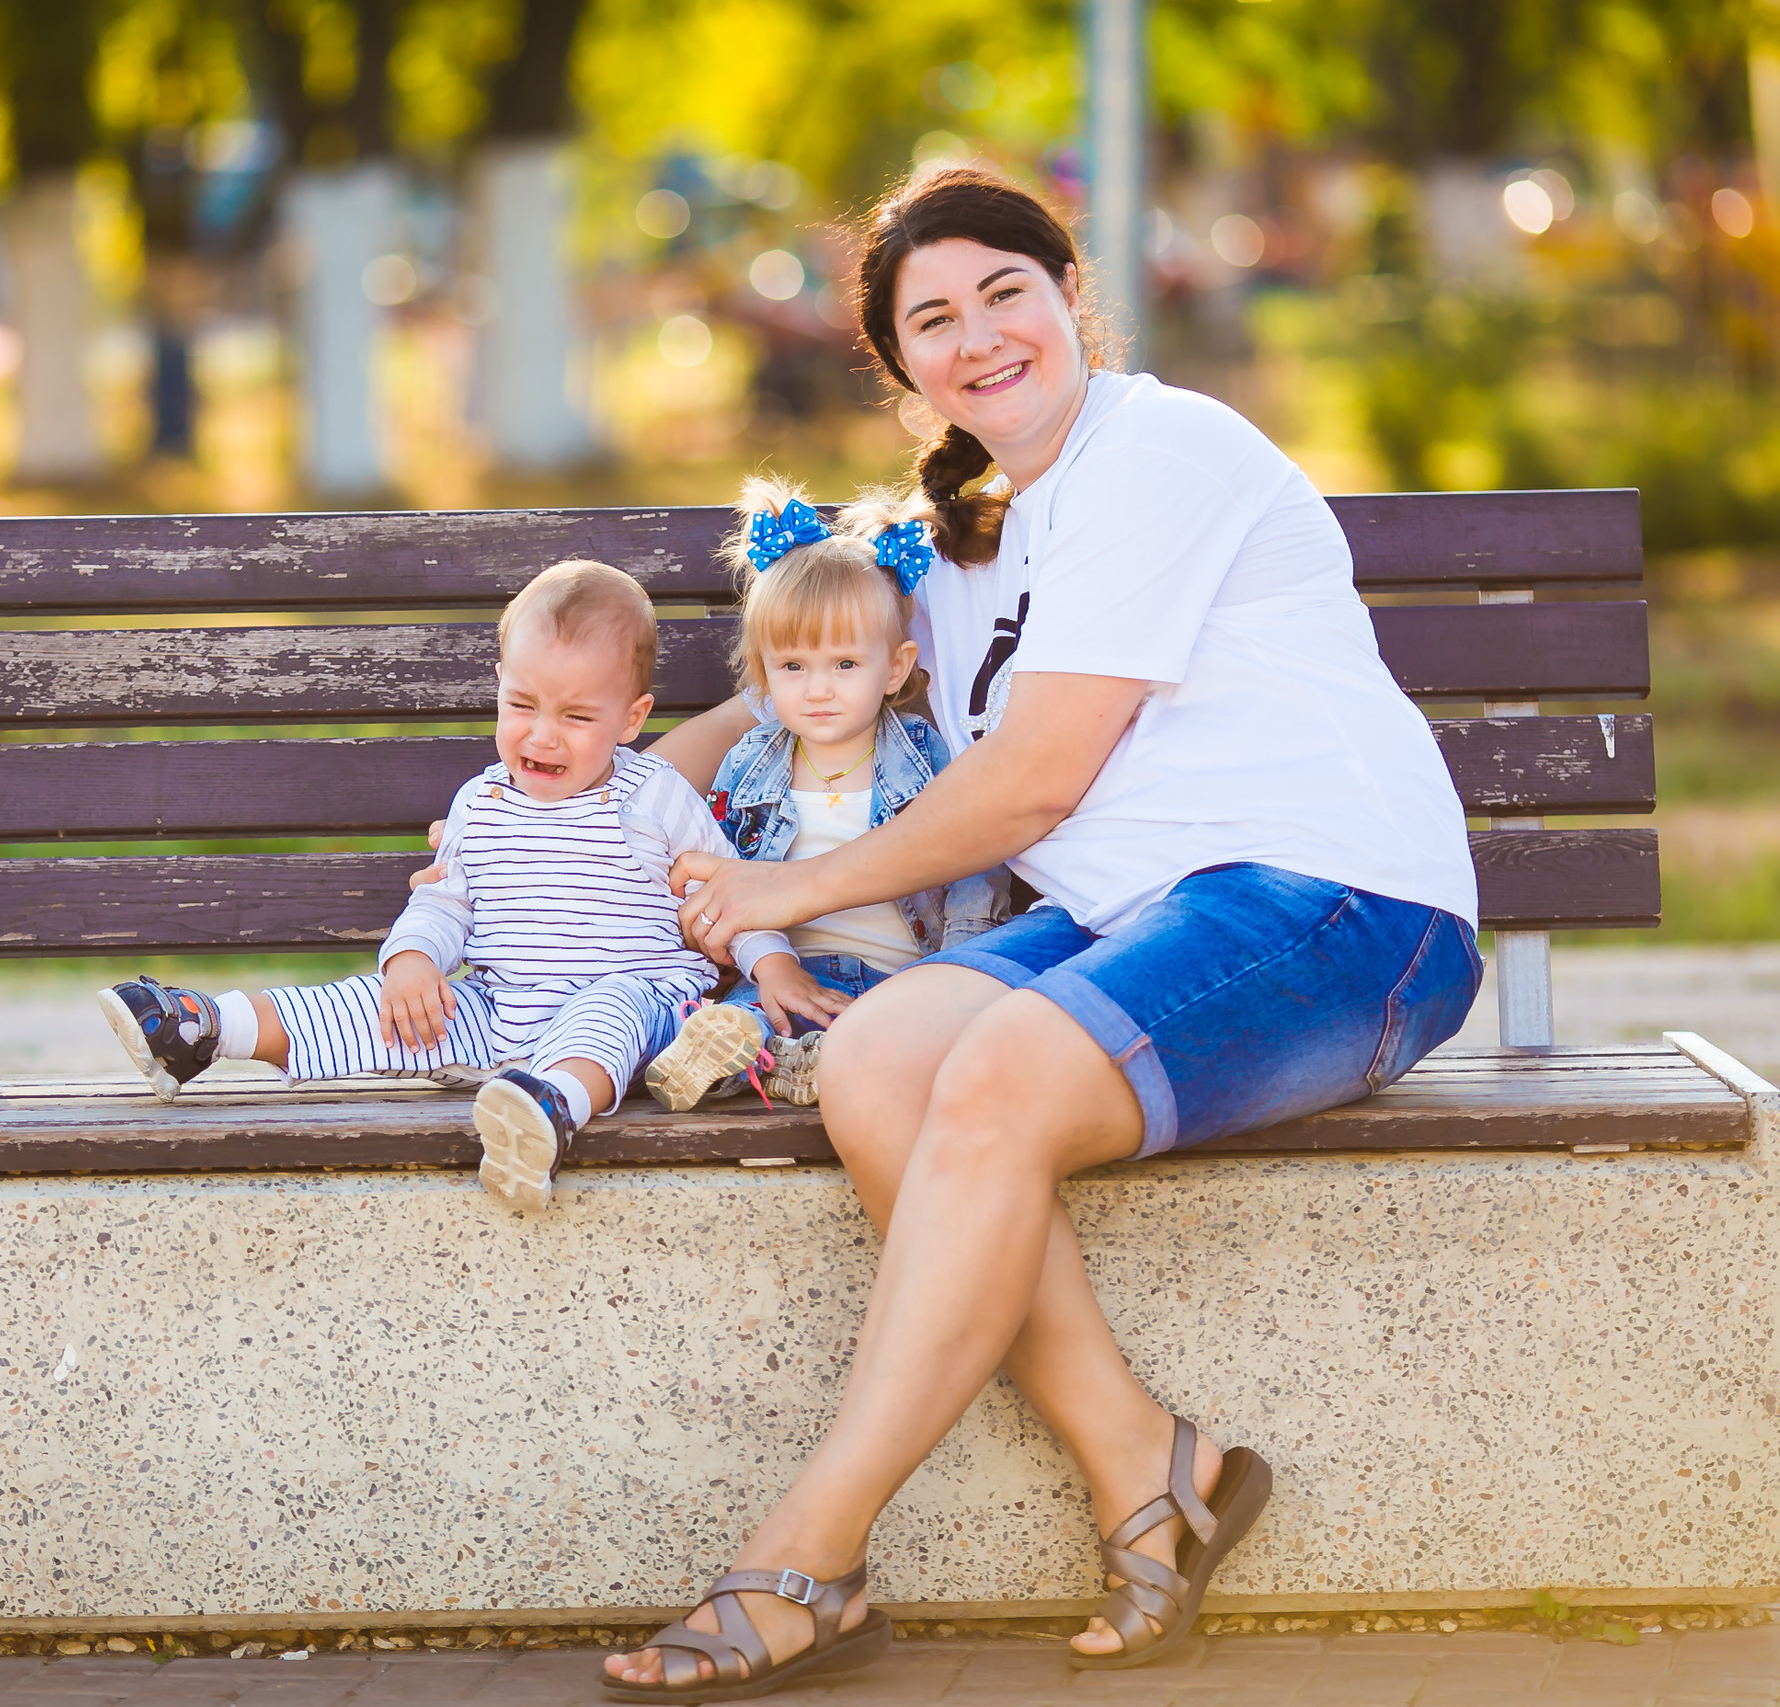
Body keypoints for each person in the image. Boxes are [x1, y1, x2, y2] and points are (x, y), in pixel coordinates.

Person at [598, 164, 1483, 1700]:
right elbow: (786, 691)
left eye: (1005, 290)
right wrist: (586, 808)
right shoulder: (967, 540)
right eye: (931, 319)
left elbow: (1034, 780)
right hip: (1133, 919)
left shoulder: (1164, 448)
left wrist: (780, 891)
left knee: (995, 1069)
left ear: (1071, 294)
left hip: (1341, 902)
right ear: (903, 367)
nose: (980, 334)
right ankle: (1152, 1464)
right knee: (876, 1062)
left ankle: (809, 1550)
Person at [98, 559, 799, 1213]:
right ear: (499, 685)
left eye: (577, 717)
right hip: (500, 1008)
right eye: (522, 704)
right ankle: (205, 1027)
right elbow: (443, 899)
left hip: (642, 1001)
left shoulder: (656, 796)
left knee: (607, 1008)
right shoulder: (482, 801)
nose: (543, 736)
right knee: (378, 1006)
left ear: (632, 718)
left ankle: (548, 1111)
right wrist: (412, 960)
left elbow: (730, 894)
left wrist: (771, 965)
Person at [643, 475, 1004, 1113]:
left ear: (894, 668)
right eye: (793, 667)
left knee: (904, 1035)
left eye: (844, 665)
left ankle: (806, 1062)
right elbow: (711, 868)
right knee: (742, 1015)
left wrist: (957, 977)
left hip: (902, 979)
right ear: (762, 673)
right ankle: (738, 1053)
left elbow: (972, 868)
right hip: (784, 973)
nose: (817, 689)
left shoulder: (925, 760)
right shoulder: (749, 766)